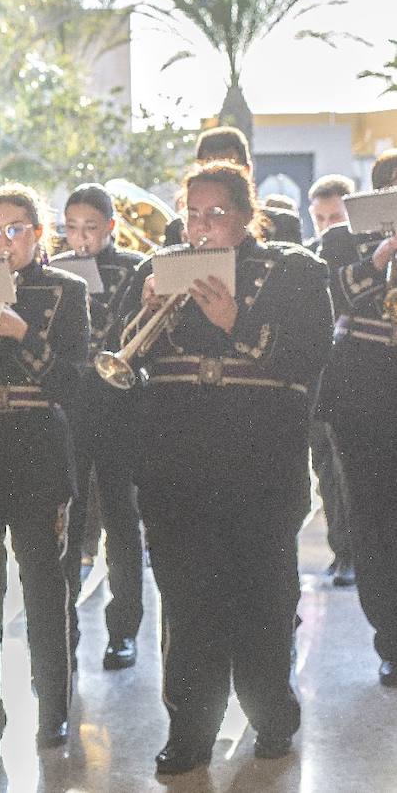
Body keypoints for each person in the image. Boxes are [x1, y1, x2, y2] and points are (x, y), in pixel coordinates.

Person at [125, 161, 333, 774]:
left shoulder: (296, 269)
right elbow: (119, 362)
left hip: (260, 466)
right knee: (187, 604)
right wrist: (142, 316)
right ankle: (190, 729)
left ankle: (272, 715)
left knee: (263, 597)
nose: (201, 226)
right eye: (192, 214)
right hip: (175, 465)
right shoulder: (155, 270)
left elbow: (310, 355)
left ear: (247, 216)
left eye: (216, 213)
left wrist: (235, 321)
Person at [0, 183, 89, 763]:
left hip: (37, 449)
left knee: (44, 590)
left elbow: (75, 387)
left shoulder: (67, 291)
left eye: (16, 230)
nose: (4, 242)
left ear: (37, 233)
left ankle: (52, 710)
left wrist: (23, 335)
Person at [53, 183, 146, 671]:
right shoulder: (52, 270)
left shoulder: (134, 268)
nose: (81, 237)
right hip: (70, 408)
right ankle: (61, 627)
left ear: (110, 226)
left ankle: (124, 631)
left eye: (91, 227)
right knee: (67, 520)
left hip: (118, 409)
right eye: (72, 228)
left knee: (121, 522)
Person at [317, 150, 397, 688]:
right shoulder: (341, 242)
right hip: (365, 397)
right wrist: (382, 256)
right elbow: (340, 294)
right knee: (373, 521)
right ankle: (390, 639)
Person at [307, 174, 358, 587]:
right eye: (320, 218)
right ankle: (341, 551)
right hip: (320, 377)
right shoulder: (306, 258)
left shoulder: (359, 257)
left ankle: (356, 554)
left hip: (356, 376)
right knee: (324, 468)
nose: (327, 226)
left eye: (335, 217)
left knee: (350, 471)